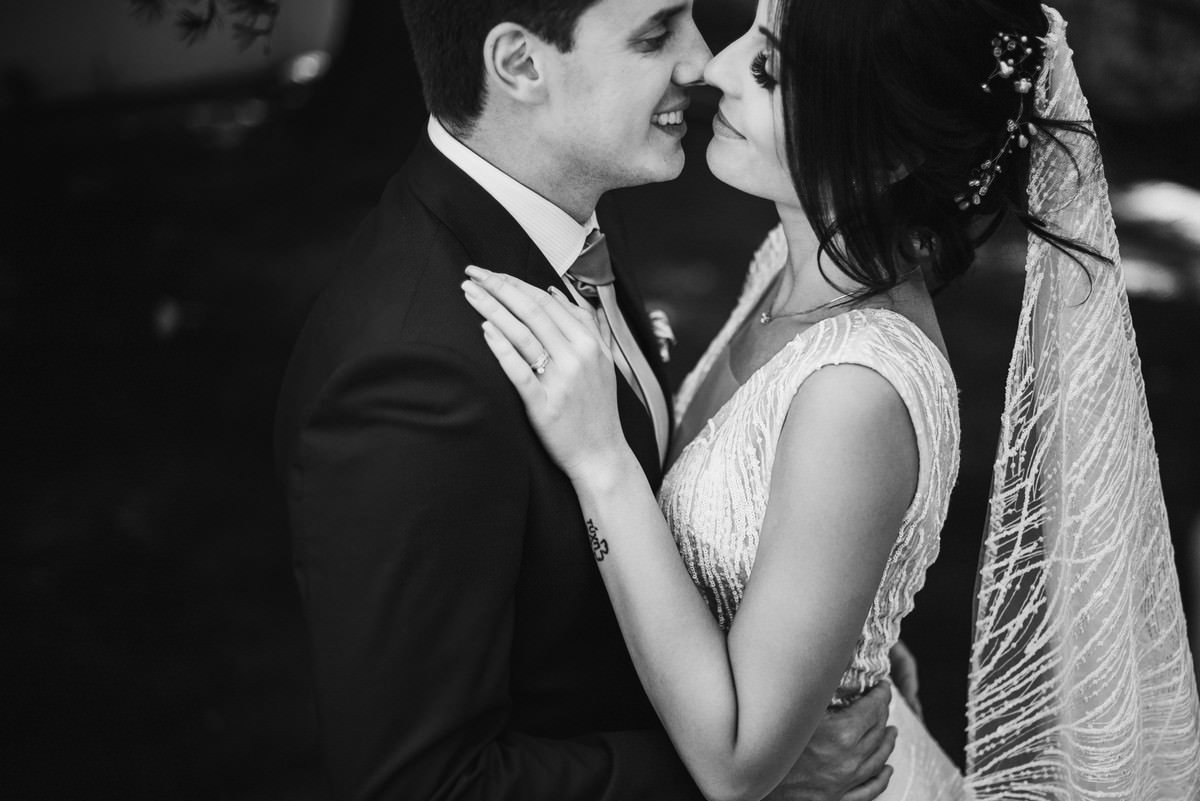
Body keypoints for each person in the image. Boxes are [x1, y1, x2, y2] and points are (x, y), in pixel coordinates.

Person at [463, 0, 1200, 799]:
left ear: (890, 151)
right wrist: (843, 634)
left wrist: (602, 460)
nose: (715, 69)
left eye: (768, 68)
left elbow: (738, 762)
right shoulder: (789, 260)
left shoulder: (854, 389)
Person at [274, 0, 902, 798]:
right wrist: (758, 772)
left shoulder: (560, 209)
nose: (702, 61)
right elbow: (421, 782)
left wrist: (821, 631)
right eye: (656, 33)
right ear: (521, 65)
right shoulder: (416, 377)